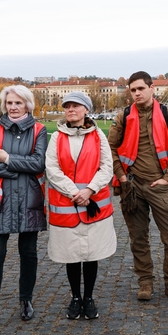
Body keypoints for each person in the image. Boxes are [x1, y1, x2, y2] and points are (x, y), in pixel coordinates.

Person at [108, 71, 168, 302]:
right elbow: (111, 149)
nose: (136, 93)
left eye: (140, 88)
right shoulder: (124, 116)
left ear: (152, 88)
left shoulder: (167, 115)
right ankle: (145, 282)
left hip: (160, 185)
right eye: (133, 90)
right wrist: (122, 178)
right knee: (138, 237)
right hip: (132, 185)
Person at [0, 85, 48, 328]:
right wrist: (17, 171)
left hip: (29, 200)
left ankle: (26, 300)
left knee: (29, 253)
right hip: (0, 201)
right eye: (10, 103)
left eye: (18, 103)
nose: (13, 108)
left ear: (27, 105)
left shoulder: (39, 130)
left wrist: (7, 159)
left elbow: (38, 164)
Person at [45, 92, 116, 320]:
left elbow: (107, 166)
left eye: (75, 106)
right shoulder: (57, 137)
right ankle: (75, 297)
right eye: (67, 106)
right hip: (67, 206)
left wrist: (90, 190)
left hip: (93, 205)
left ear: (86, 110)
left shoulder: (98, 136)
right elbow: (52, 169)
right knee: (72, 255)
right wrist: (75, 192)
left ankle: (89, 297)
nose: (70, 110)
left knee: (91, 253)